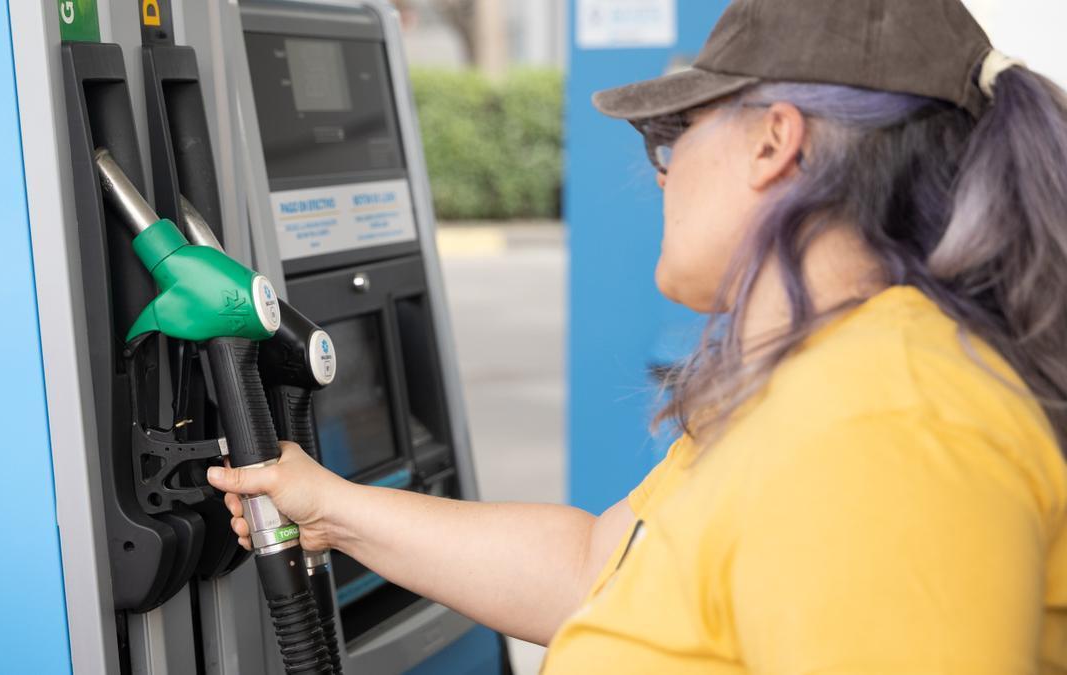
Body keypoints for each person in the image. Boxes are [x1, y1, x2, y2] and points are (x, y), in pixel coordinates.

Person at [208, 0, 1067, 671]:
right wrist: (331, 507)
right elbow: (593, 567)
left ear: (774, 142)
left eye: (674, 131)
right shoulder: (815, 382)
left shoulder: (886, 429)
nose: (662, 169)